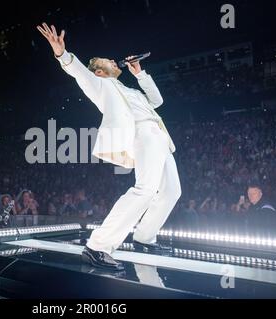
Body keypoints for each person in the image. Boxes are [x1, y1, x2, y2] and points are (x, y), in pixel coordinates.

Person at [37, 23, 181, 271]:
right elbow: (79, 72)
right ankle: (98, 246)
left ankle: (144, 237)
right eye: (109, 61)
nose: (116, 62)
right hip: (142, 135)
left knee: (172, 191)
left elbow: (157, 101)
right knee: (145, 190)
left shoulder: (129, 89)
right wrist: (62, 54)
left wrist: (139, 73)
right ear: (100, 71)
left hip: (160, 137)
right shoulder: (99, 84)